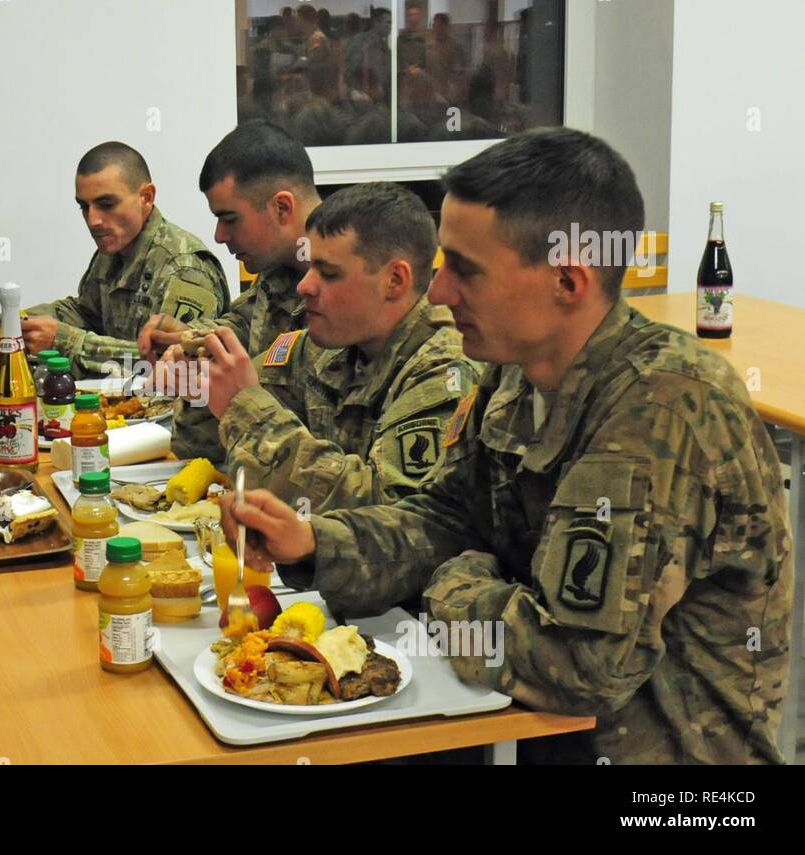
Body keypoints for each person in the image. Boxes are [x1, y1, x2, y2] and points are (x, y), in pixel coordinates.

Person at [222, 128, 793, 764]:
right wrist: (316, 542)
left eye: (464, 271)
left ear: (567, 282)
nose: (437, 294)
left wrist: (455, 585)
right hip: (535, 739)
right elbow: (445, 519)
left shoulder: (660, 408)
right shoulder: (512, 372)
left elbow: (575, 663)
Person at [190, 182, 476, 513]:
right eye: (309, 266)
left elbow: (389, 515)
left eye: (327, 273)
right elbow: (199, 438)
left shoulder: (444, 371)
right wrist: (195, 377)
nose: (304, 285)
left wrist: (246, 408)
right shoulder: (324, 342)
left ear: (395, 280)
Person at [0, 142, 228, 375]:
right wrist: (5, 324)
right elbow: (83, 312)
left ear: (146, 198)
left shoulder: (185, 268)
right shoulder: (114, 250)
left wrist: (65, 342)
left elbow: (176, 365)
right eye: (84, 207)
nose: (93, 221)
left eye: (107, 205)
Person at [138, 122, 320, 459]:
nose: (219, 236)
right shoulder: (280, 272)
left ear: (282, 208)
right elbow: (238, 322)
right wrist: (192, 340)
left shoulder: (353, 290)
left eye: (230, 218)